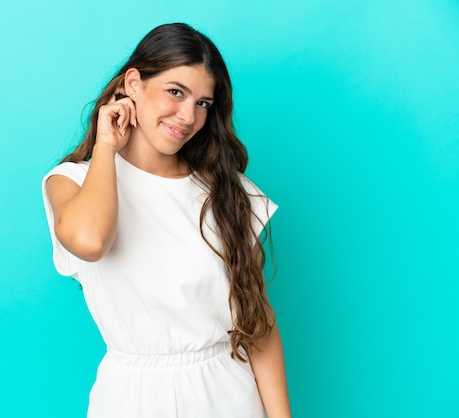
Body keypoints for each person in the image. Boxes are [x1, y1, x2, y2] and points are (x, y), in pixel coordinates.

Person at [42, 22, 291, 418]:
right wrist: (107, 146)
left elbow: (258, 323)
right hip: (132, 398)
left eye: (203, 103)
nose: (188, 116)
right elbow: (89, 242)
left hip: (229, 395)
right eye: (175, 92)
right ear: (134, 84)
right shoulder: (71, 182)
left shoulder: (230, 192)